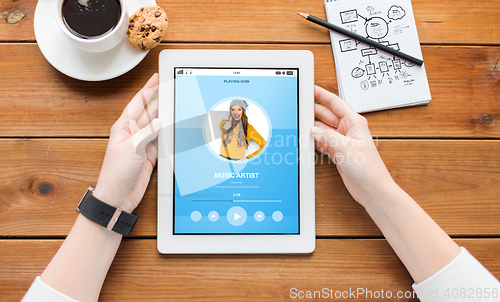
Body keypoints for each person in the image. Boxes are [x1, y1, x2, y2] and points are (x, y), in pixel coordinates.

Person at [22, 78, 499, 302]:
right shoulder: (225, 130)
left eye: (235, 110)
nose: (232, 113)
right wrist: (379, 194)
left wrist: (112, 203)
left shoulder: (248, 130)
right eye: (228, 109)